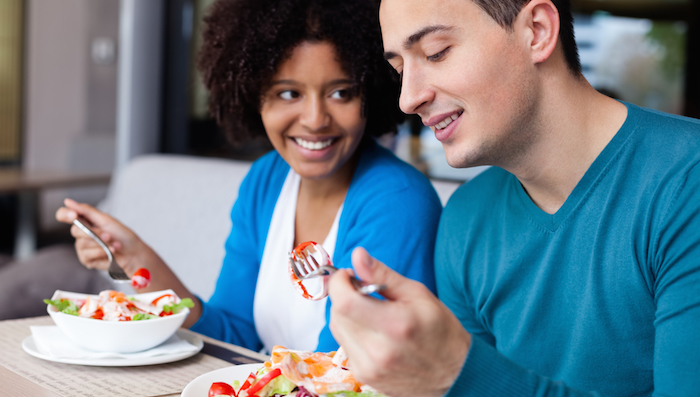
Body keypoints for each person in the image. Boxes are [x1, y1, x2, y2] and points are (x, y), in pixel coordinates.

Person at [328, 0, 700, 397]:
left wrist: (458, 374)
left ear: (538, 32)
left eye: (437, 51)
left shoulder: (687, 181)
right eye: (400, 67)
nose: (408, 97)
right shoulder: (466, 218)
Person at [56, 0, 442, 354]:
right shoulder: (266, 181)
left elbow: (347, 371)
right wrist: (136, 255)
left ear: (370, 95)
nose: (314, 120)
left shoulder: (397, 201)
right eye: (288, 94)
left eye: (341, 93)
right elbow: (230, 336)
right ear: (253, 96)